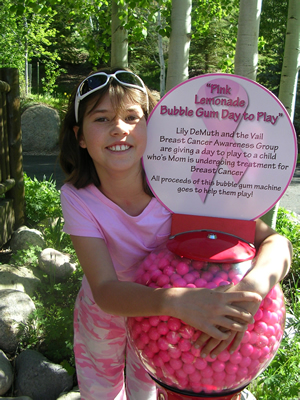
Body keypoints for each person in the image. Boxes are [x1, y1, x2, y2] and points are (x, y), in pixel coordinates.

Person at [59, 67, 292, 400]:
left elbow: (277, 243)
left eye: (131, 117)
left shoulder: (184, 188)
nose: (119, 129)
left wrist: (252, 289)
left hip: (170, 323)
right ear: (80, 136)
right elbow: (106, 291)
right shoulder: (78, 197)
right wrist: (171, 301)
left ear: (150, 126)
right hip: (111, 312)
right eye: (102, 119)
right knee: (100, 392)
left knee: (148, 389)